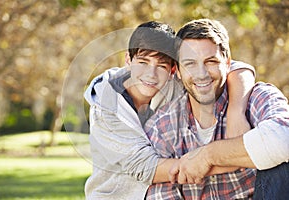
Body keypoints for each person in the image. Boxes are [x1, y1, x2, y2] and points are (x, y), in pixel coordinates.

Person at [84, 21, 255, 199]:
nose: (151, 74)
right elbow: (147, 169)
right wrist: (233, 160)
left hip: (164, 193)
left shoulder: (173, 81)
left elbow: (235, 68)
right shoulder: (106, 107)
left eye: (161, 65)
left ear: (173, 68)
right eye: (143, 62)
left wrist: (236, 111)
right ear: (128, 60)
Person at [144, 18, 289, 199]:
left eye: (211, 61)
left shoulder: (256, 98)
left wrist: (208, 155)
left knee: (282, 165)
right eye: (190, 64)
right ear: (178, 71)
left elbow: (284, 138)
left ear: (228, 63)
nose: (201, 74)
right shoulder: (162, 127)